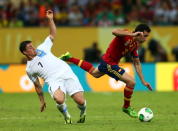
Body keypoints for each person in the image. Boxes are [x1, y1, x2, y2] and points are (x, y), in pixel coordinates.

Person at [60, 24, 152, 118]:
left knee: (94, 73)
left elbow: (137, 63)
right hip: (109, 63)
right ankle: (126, 107)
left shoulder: (135, 45)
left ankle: (69, 58)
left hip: (110, 62)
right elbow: (114, 31)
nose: (145, 39)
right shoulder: (127, 34)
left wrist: (143, 81)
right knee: (131, 82)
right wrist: (133, 34)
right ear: (138, 33)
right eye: (144, 36)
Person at [19, 10, 86, 124]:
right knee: (59, 99)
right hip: (53, 80)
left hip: (66, 72)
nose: (33, 48)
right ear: (25, 52)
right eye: (30, 47)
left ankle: (83, 111)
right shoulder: (29, 69)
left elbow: (52, 34)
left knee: (80, 101)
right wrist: (42, 101)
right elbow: (37, 86)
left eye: (32, 45)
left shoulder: (42, 48)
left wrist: (50, 19)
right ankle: (66, 116)